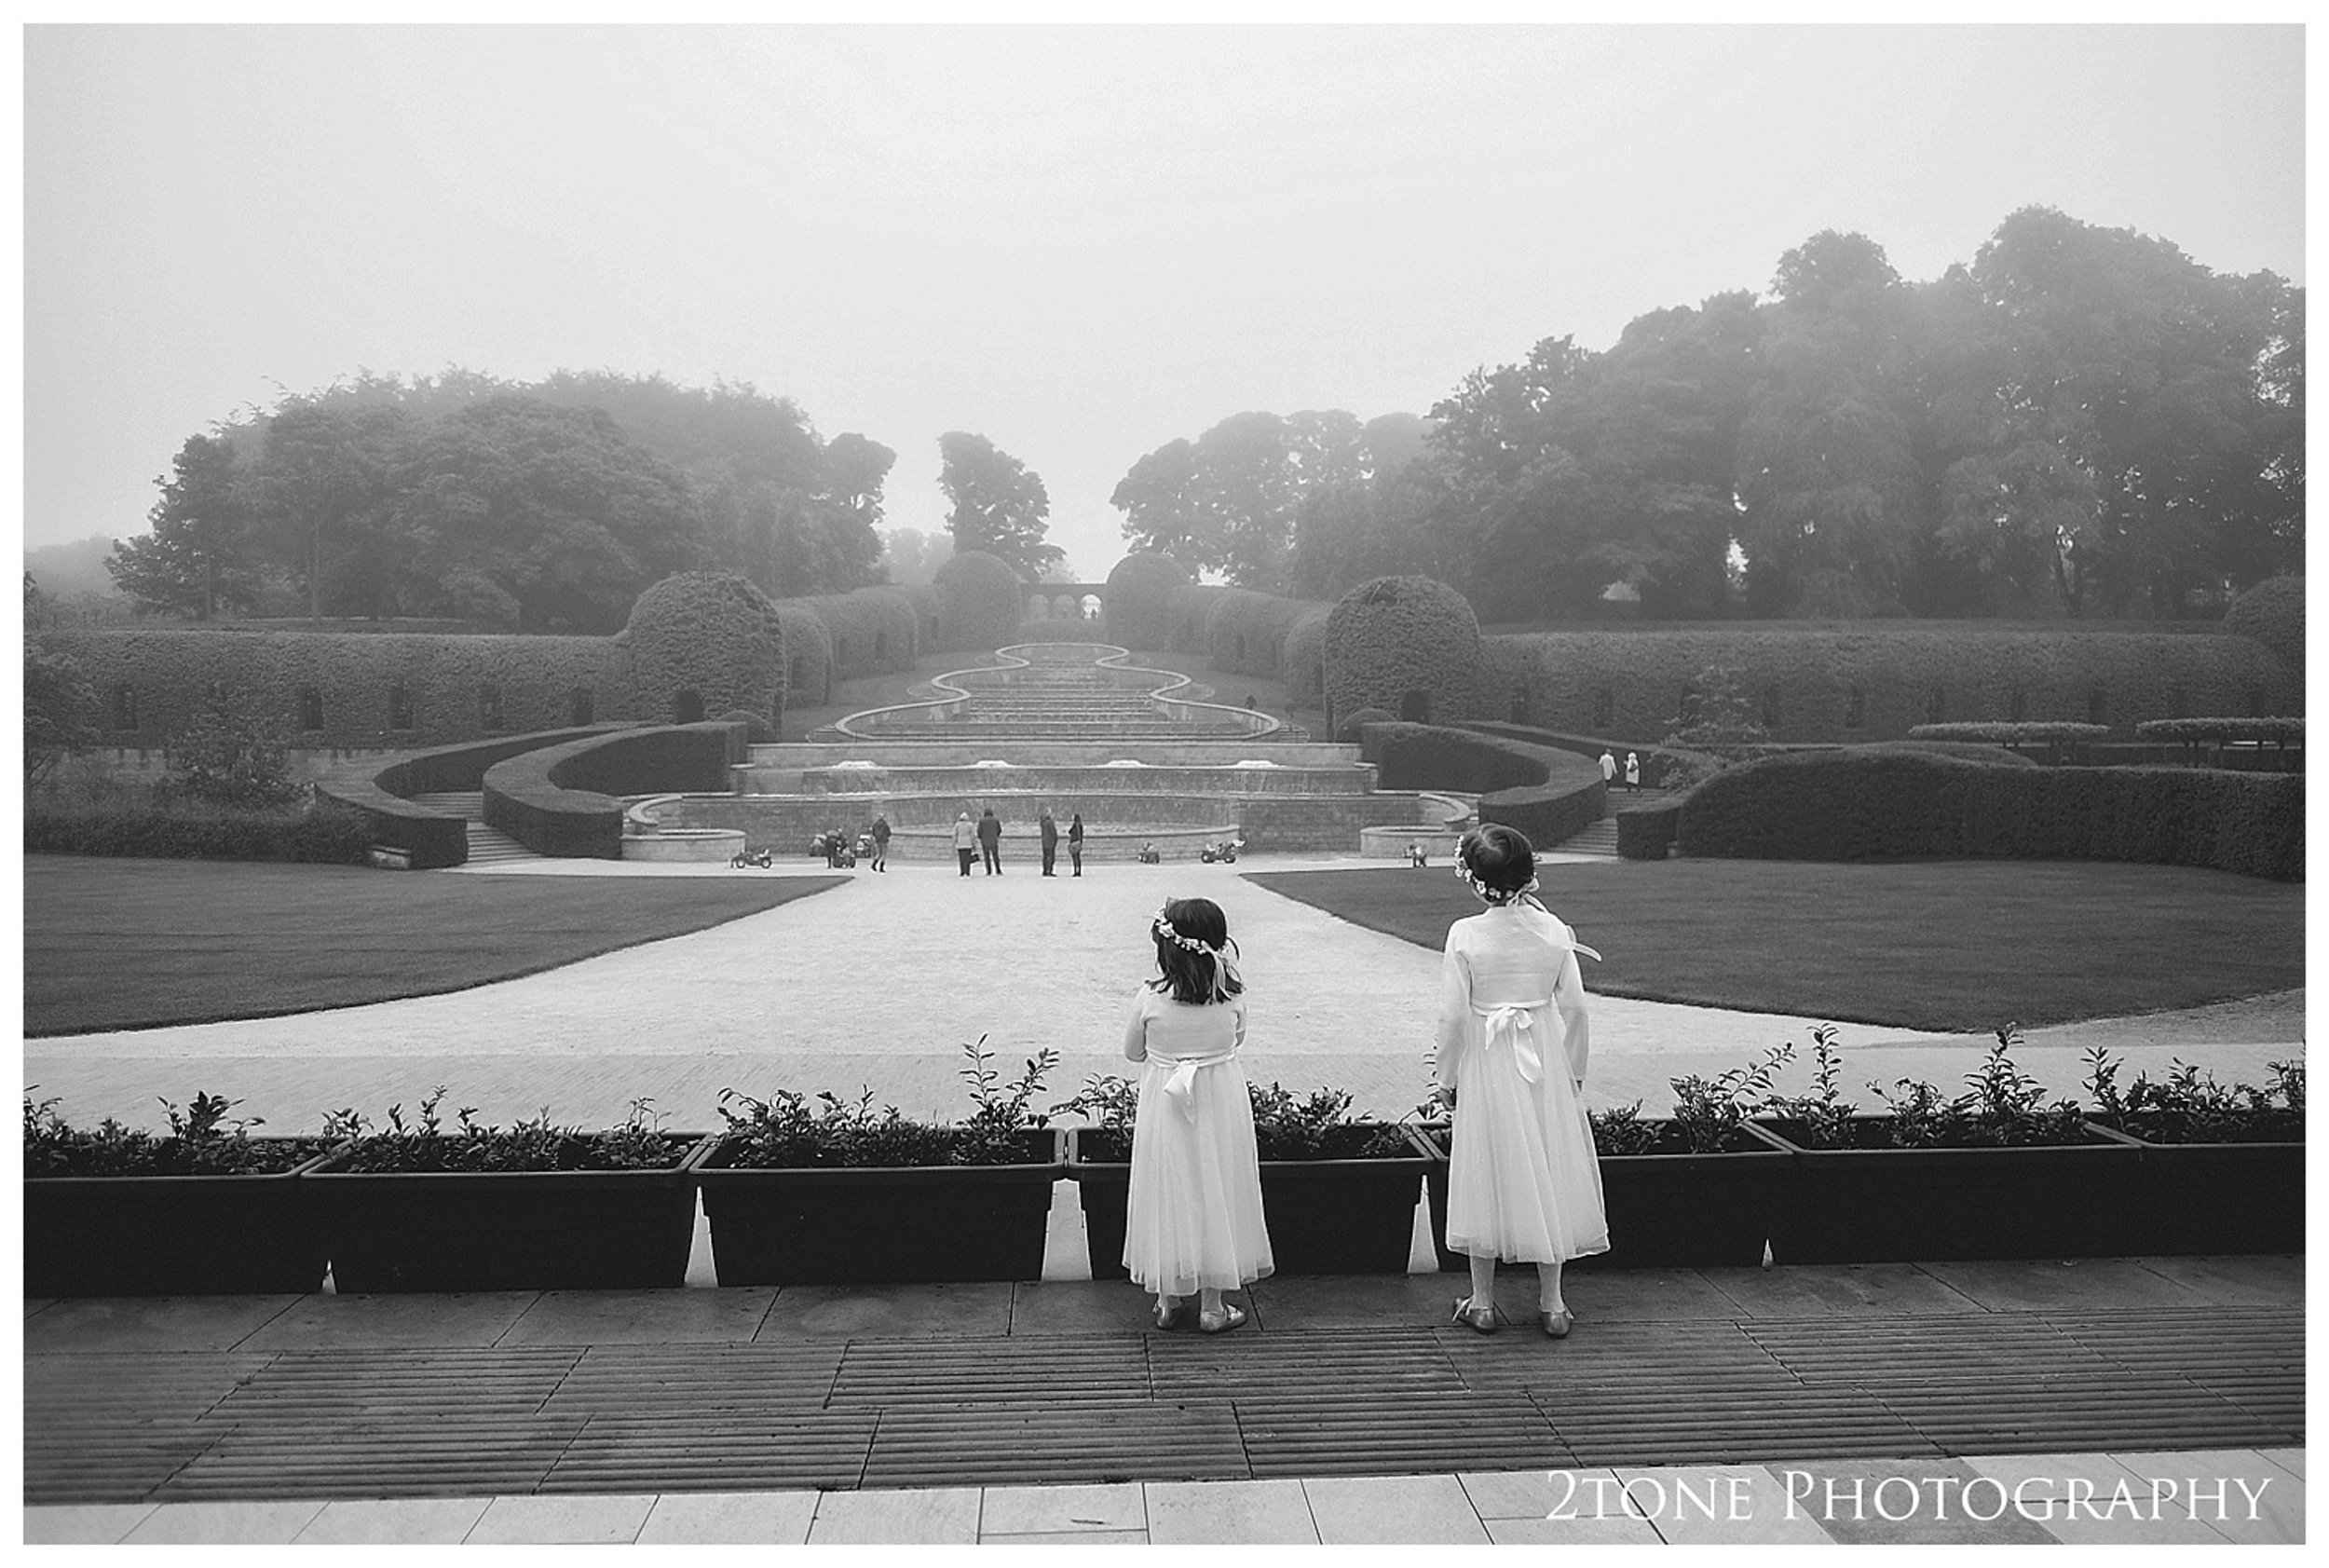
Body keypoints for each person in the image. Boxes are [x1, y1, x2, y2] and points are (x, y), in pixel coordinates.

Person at [1434, 825, 1608, 1339]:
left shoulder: (1464, 933)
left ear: (1475, 882)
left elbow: (1452, 1017)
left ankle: (1483, 1302)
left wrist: (1446, 1076)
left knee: (1486, 1166)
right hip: (1544, 1061)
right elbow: (1575, 1008)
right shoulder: (1554, 930)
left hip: (1489, 1061)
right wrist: (1573, 1072)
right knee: (1550, 1165)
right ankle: (1553, 1303)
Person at [1123, 897, 1273, 1333]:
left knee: (1169, 1186)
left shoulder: (1150, 999)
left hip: (1167, 1103)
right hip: (1219, 1098)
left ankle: (1168, 1300)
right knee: (1217, 1187)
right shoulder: (1232, 999)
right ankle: (1212, 1305)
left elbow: (1133, 1052)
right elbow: (1237, 1040)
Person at [977, 807, 1003, 875]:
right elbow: (999, 830)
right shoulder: (995, 820)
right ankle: (998, 869)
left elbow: (979, 831)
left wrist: (981, 837)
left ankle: (988, 871)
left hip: (984, 841)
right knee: (995, 856)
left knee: (986, 857)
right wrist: (996, 835)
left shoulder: (982, 821)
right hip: (994, 840)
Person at [951, 811, 976, 878]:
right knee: (968, 858)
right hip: (968, 844)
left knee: (961, 858)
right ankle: (967, 871)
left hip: (960, 844)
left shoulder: (957, 825)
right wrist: (974, 844)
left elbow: (954, 834)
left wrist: (955, 841)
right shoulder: (970, 825)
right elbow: (972, 835)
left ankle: (962, 871)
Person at [1039, 809, 1059, 877]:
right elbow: (1053, 832)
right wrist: (1055, 838)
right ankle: (1049, 870)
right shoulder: (1050, 823)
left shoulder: (1043, 823)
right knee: (1051, 857)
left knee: (1045, 857)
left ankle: (1045, 870)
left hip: (1044, 842)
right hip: (1050, 842)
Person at [1068, 812, 1085, 877]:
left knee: (1075, 858)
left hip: (1074, 842)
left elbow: (1070, 831)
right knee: (1077, 857)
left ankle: (1076, 871)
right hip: (1077, 843)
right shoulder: (1079, 825)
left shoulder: (1076, 825)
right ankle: (1078, 870)